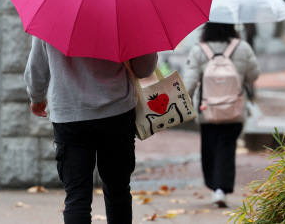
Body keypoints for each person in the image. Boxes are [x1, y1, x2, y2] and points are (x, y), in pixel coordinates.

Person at [24, 36, 158, 224]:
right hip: (116, 113)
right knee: (118, 191)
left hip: (70, 116)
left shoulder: (53, 15)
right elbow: (144, 68)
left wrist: (37, 97)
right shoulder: (121, 13)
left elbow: (37, 65)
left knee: (77, 196)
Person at [183, 22, 259, 208]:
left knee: (209, 147)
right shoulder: (243, 47)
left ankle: (213, 185)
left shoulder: (199, 49)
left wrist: (184, 104)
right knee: (227, 147)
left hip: (207, 110)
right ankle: (221, 188)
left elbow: (189, 82)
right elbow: (253, 75)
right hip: (234, 109)